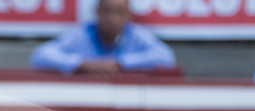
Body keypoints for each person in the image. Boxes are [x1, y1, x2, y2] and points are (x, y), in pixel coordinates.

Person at [30, 0, 176, 75]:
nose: (113, 18)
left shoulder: (137, 34)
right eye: (107, 11)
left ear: (128, 15)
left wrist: (121, 64)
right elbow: (40, 56)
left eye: (119, 12)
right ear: (98, 12)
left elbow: (166, 57)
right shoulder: (82, 34)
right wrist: (83, 65)